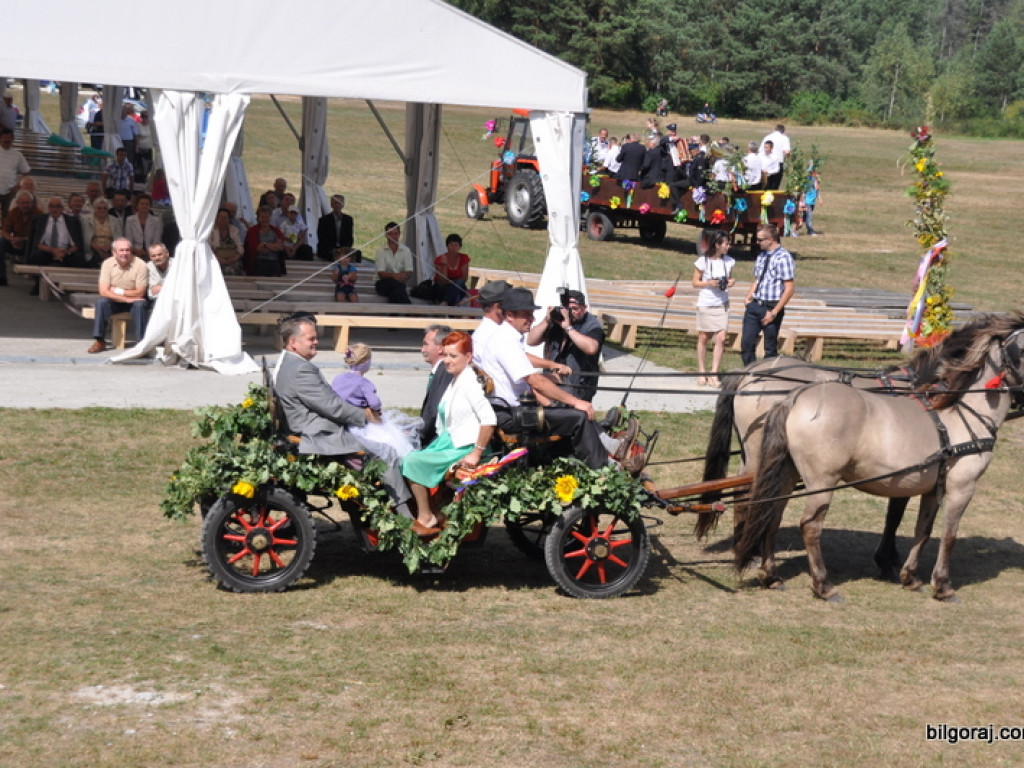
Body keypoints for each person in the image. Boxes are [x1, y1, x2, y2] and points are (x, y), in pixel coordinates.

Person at [274, 316, 414, 518]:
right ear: (293, 343)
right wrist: (365, 416)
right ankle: (406, 519)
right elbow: (332, 407)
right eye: (311, 339)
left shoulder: (288, 363)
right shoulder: (300, 368)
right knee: (387, 453)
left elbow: (328, 402)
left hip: (309, 425)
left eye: (315, 338)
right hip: (319, 433)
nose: (316, 342)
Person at [474, 286, 607, 470]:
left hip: (515, 409)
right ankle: (602, 471)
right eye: (526, 315)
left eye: (532, 314)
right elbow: (535, 381)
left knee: (566, 409)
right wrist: (576, 401)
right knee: (578, 416)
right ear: (510, 316)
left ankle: (597, 453)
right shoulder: (504, 342)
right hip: (512, 416)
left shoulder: (505, 337)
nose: (532, 319)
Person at [402, 331, 497, 535]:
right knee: (406, 455)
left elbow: (489, 419)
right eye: (445, 355)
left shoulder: (470, 382)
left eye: (453, 356)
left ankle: (426, 516)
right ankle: (433, 512)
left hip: (463, 447)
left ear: (468, 357)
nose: (447, 361)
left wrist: (476, 453)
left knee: (411, 461)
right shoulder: (457, 379)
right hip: (449, 442)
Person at [526, 289, 604, 402]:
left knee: (572, 416)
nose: (570, 313)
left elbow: (591, 348)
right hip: (553, 381)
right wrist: (547, 320)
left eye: (575, 309)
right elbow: (531, 341)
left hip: (580, 385)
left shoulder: (591, 324)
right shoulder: (557, 321)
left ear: (584, 308)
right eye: (567, 309)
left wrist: (568, 328)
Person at [740, 223, 795, 365]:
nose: (757, 243)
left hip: (772, 305)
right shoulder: (762, 256)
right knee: (747, 343)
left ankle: (767, 376)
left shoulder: (783, 257)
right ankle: (749, 373)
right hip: (756, 304)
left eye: (760, 240)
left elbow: (789, 288)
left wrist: (774, 312)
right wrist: (748, 298)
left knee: (770, 348)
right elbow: (758, 279)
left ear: (770, 239)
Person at [692, 229, 736, 386]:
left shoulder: (729, 261)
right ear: (717, 245)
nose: (728, 246)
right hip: (706, 302)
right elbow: (695, 282)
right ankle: (701, 371)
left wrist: (731, 282)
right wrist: (709, 283)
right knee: (704, 337)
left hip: (722, 303)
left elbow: (730, 278)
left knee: (721, 337)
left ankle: (714, 373)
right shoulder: (703, 261)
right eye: (726, 243)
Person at [89, 238, 148, 353]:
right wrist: (126, 298)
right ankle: (99, 341)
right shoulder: (107, 264)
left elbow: (140, 292)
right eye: (121, 250)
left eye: (127, 250)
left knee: (140, 304)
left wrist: (119, 291)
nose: (125, 253)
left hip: (134, 301)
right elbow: (103, 291)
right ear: (114, 252)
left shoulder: (141, 265)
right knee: (101, 302)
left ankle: (141, 343)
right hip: (116, 300)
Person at [419, 323, 454, 447]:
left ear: (440, 348)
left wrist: (417, 435)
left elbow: (433, 412)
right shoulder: (441, 370)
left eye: (426, 344)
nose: (422, 350)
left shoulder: (445, 372)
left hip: (438, 441)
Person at [27, 197, 86, 268]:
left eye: (57, 206)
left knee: (78, 258)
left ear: (62, 208)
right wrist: (53, 250)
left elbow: (77, 245)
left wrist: (65, 252)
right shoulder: (40, 220)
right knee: (36, 256)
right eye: (51, 206)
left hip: (66, 252)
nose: (54, 209)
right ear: (48, 208)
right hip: (46, 252)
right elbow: (36, 243)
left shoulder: (72, 221)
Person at [373, 221, 413, 304]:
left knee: (396, 290)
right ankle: (410, 309)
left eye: (395, 233)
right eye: (390, 234)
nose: (393, 236)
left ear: (399, 234)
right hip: (382, 284)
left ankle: (394, 314)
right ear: (386, 235)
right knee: (397, 286)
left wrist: (403, 276)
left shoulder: (406, 250)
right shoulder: (380, 251)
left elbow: (409, 270)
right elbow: (381, 274)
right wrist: (395, 276)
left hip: (399, 283)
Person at [244, 205, 286, 276]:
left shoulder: (276, 231)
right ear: (258, 218)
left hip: (274, 263)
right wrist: (273, 246)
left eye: (267, 217)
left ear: (270, 217)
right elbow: (257, 249)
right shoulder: (252, 231)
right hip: (259, 263)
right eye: (262, 217)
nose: (265, 219)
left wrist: (264, 244)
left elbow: (280, 247)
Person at [81, 197, 122, 267]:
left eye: (105, 208)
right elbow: (86, 238)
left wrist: (108, 248)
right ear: (94, 209)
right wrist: (99, 249)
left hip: (110, 249)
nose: (102, 210)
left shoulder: (115, 221)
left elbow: (118, 238)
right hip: (93, 249)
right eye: (99, 208)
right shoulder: (85, 220)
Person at [0, 127, 30, 219]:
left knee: (8, 215)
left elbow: (26, 171)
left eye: (9, 137)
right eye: (4, 137)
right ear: (0, 138)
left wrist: (19, 185)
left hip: (10, 190)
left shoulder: (18, 155)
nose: (7, 139)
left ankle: (4, 233)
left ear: (13, 139)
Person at [432, 233, 470, 306]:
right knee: (456, 294)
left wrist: (453, 283)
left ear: (460, 247)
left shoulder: (464, 258)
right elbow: (442, 281)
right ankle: (456, 313)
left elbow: (464, 279)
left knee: (459, 283)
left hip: (458, 286)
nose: (453, 247)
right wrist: (444, 265)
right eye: (451, 245)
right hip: (442, 287)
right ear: (447, 246)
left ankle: (445, 302)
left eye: (456, 245)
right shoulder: (440, 259)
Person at [316, 193, 354, 261]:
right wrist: (334, 249)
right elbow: (322, 238)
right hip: (329, 249)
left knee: (357, 254)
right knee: (331, 254)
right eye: (335, 203)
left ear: (343, 205)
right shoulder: (324, 220)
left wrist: (343, 249)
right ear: (331, 205)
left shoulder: (348, 219)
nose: (337, 205)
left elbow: (349, 237)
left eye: (339, 203)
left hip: (343, 249)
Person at [124, 193, 163, 259]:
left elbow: (156, 241)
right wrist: (136, 251)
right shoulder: (130, 220)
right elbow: (128, 240)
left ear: (150, 206)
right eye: (142, 204)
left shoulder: (156, 221)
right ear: (137, 206)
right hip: (134, 252)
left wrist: (150, 252)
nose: (144, 206)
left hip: (151, 253)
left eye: (147, 204)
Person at [210, 207, 244, 275]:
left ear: (229, 219)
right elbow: (208, 249)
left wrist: (235, 257)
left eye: (225, 217)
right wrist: (220, 259)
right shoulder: (211, 231)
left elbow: (240, 248)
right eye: (220, 217)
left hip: (233, 260)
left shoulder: (234, 230)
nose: (223, 220)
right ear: (216, 218)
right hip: (217, 260)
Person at [135, 111, 154, 182]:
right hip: (141, 148)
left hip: (150, 148)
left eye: (146, 116)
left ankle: (148, 179)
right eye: (143, 116)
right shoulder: (138, 125)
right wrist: (137, 146)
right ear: (141, 117)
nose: (145, 118)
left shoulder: (152, 125)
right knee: (142, 166)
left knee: (150, 165)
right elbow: (137, 136)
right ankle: (142, 179)